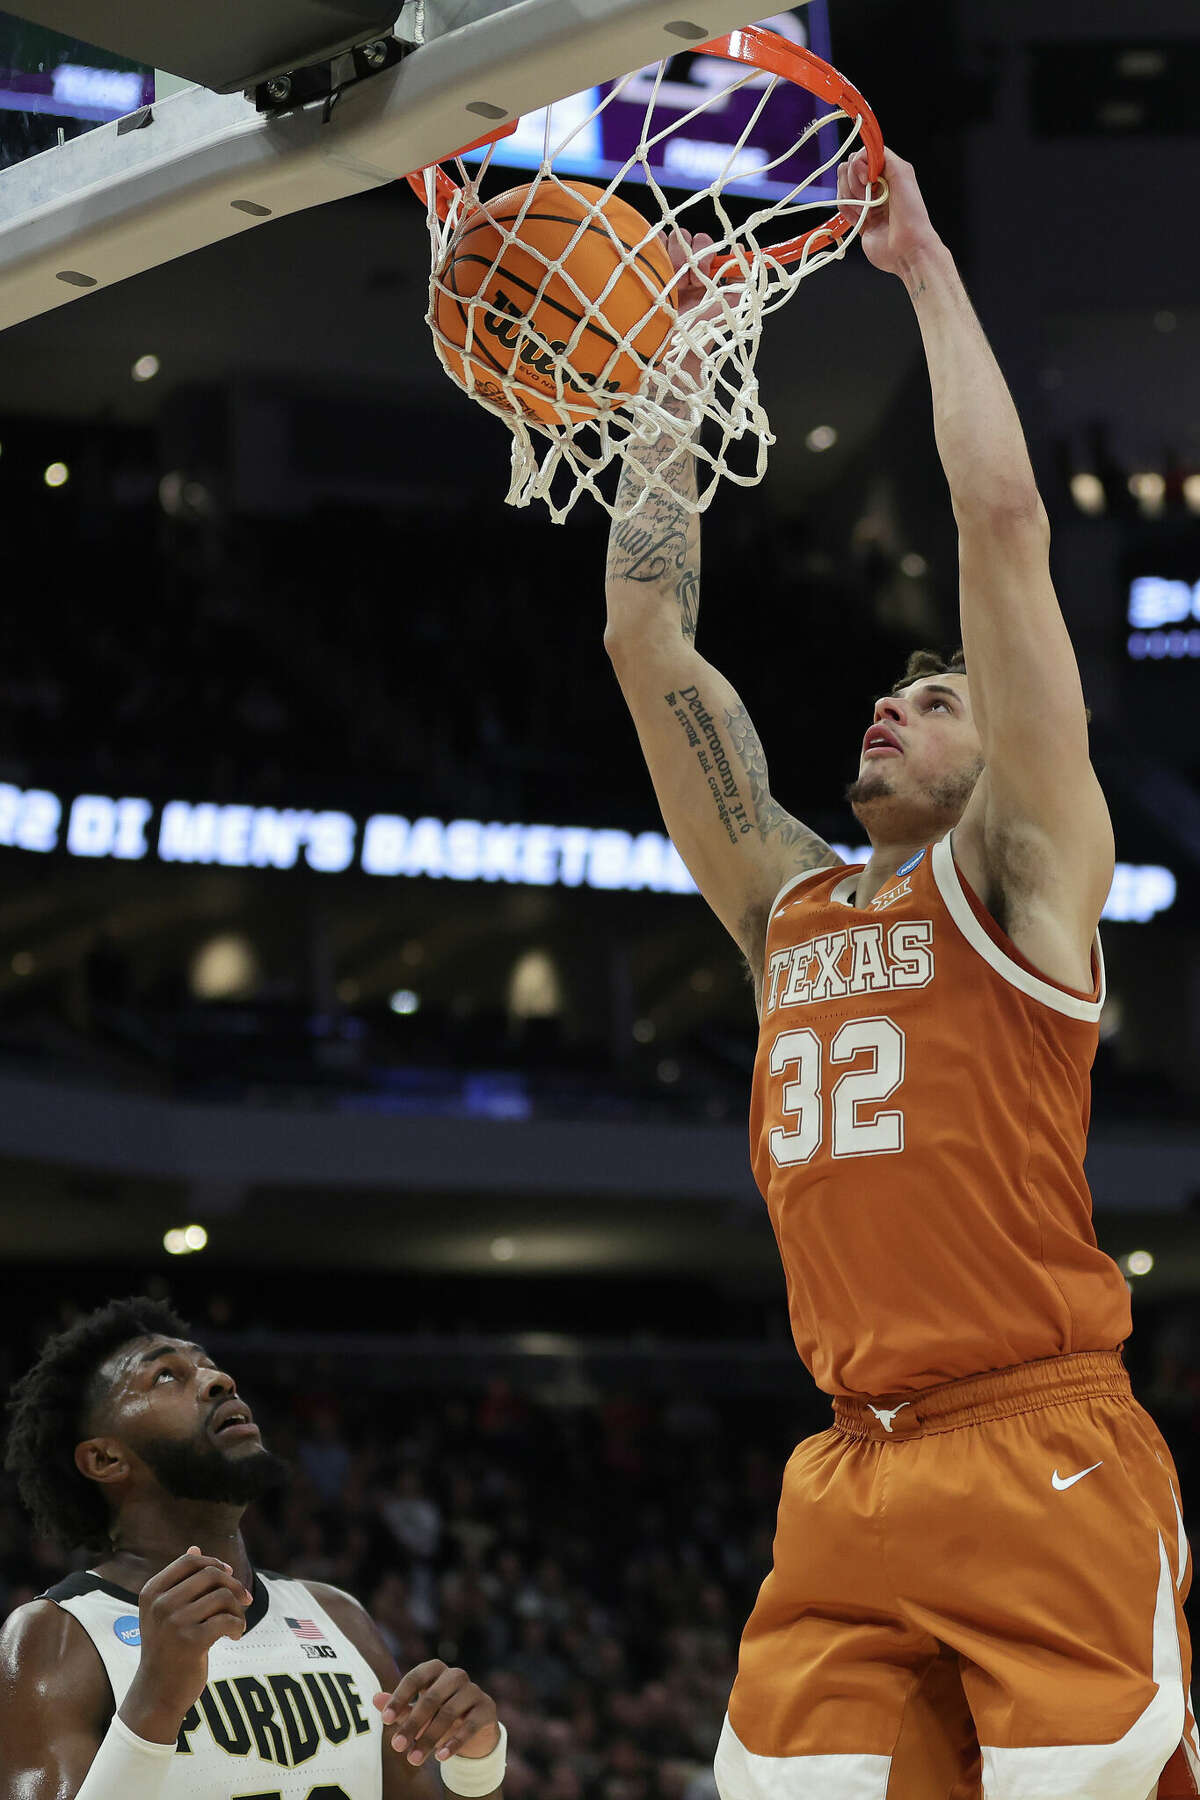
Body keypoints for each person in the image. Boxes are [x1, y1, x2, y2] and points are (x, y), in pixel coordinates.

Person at [604, 150, 1196, 1800]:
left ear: (1001, 749)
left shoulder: (1020, 876)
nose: (892, 705)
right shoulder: (785, 902)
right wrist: (681, 358)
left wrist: (924, 270)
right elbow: (648, 642)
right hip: (851, 1469)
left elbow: (1001, 524)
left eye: (934, 699)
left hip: (1039, 1441)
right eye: (888, 692)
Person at [0, 1295, 508, 1800]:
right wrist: (154, 1702)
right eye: (166, 1376)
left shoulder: (337, 1614)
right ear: (107, 1458)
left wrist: (478, 1766)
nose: (219, 1380)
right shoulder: (57, 1635)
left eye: (209, 1365)